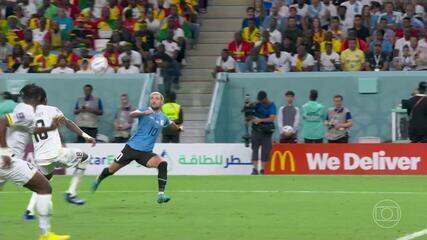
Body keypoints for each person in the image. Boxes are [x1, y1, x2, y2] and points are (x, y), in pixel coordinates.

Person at [0, 84, 70, 240]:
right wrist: (4, 151)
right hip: (7, 160)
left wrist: (50, 127)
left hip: (6, 160)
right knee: (44, 186)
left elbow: (30, 129)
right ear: (39, 99)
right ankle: (45, 234)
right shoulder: (28, 111)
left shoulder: (23, 109)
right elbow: (3, 121)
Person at [92, 92, 180, 203]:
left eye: (157, 98)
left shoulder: (163, 117)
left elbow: (171, 124)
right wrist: (144, 113)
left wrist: (178, 128)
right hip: (131, 149)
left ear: (162, 102)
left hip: (145, 153)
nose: (154, 100)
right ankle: (98, 179)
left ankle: (161, 195)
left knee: (163, 163)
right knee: (111, 170)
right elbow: (132, 114)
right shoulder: (145, 110)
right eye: (152, 98)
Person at [24, 86, 96, 220]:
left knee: (43, 183)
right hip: (56, 153)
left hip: (40, 158)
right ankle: (71, 193)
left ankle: (29, 211)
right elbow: (68, 123)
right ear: (43, 99)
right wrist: (86, 135)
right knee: (85, 158)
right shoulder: (52, 110)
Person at [250, 91, 276, 175]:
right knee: (255, 149)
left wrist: (260, 120)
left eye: (261, 100)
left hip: (266, 131)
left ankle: (262, 169)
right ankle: (254, 169)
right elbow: (250, 114)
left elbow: (271, 118)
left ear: (265, 98)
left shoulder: (272, 105)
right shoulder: (257, 104)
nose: (260, 101)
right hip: (256, 130)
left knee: (265, 151)